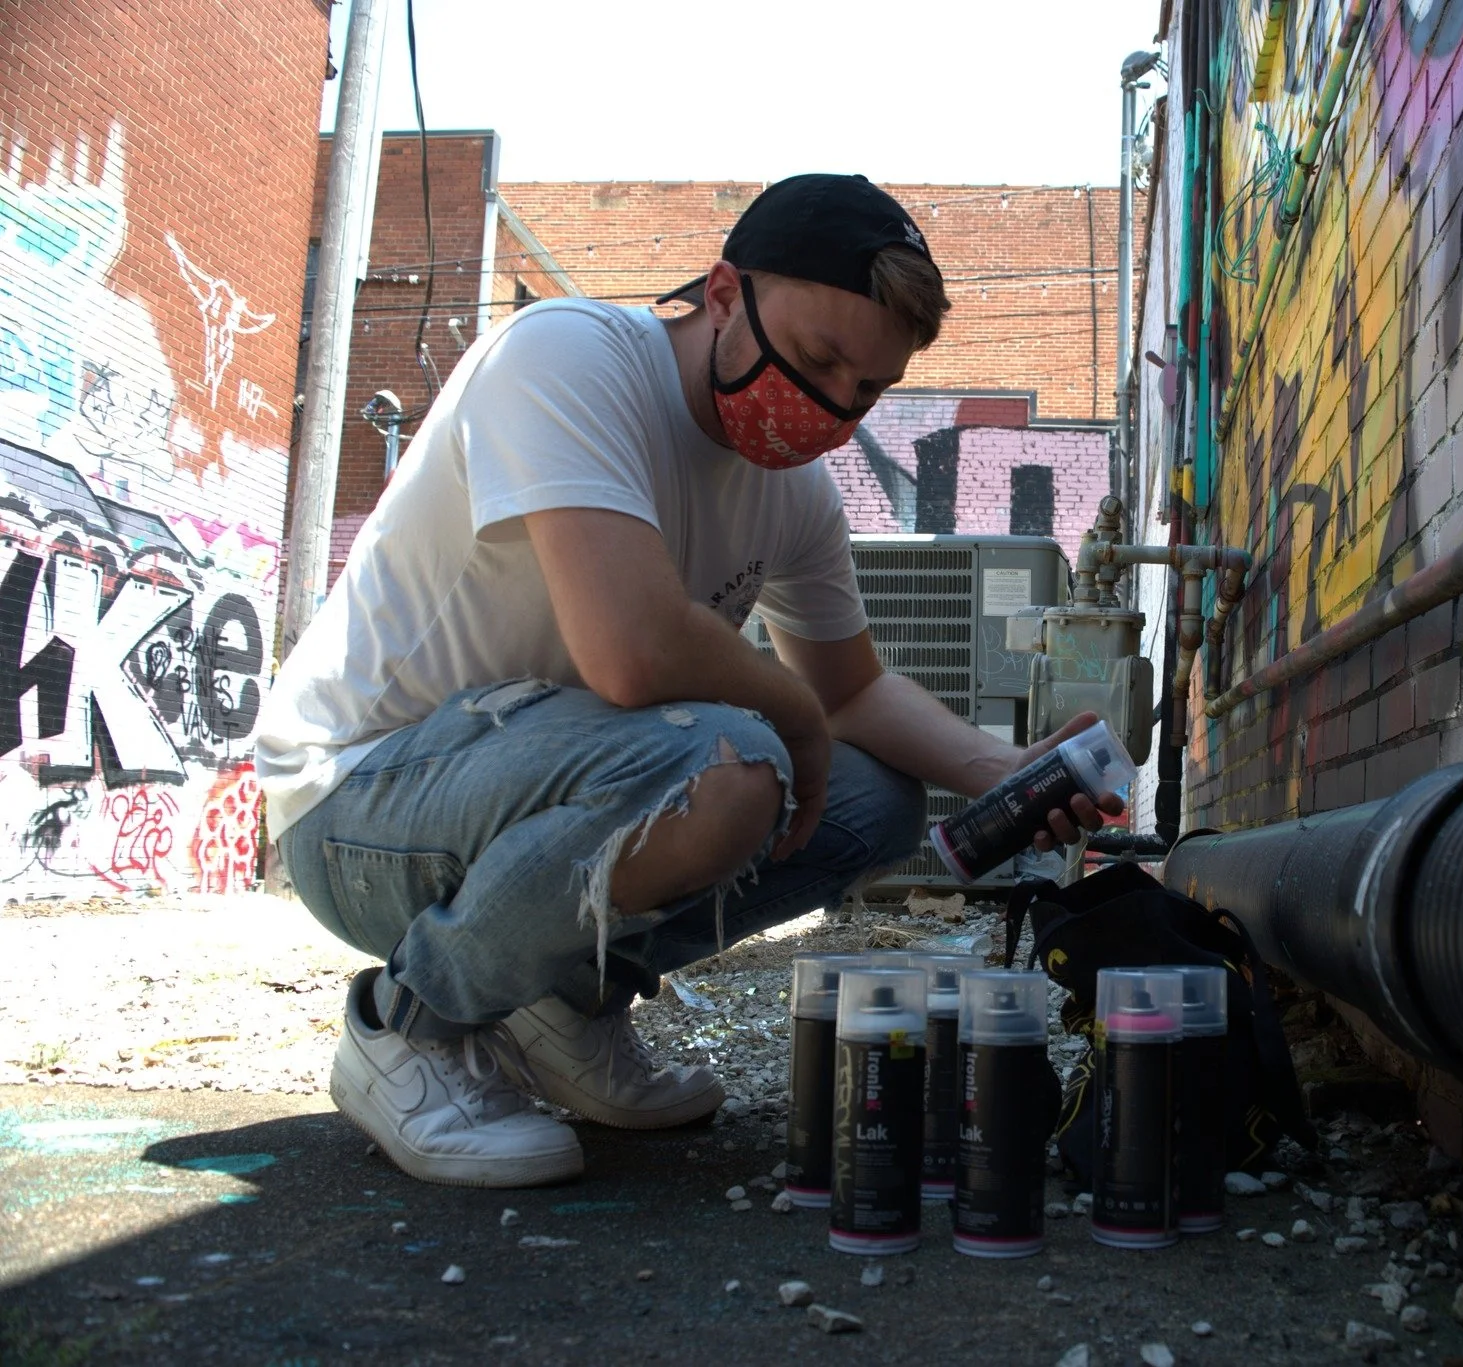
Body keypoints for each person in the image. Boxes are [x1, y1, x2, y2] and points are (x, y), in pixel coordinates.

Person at [255, 174, 1115, 1189]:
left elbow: (849, 692)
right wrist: (788, 708)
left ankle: (565, 1004)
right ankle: (406, 1023)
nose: (834, 407)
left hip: (535, 794)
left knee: (872, 804)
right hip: (360, 801)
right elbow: (631, 651)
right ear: (720, 293)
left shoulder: (791, 493)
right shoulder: (568, 357)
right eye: (817, 359)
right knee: (733, 762)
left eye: (867, 389)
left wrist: (1006, 771)